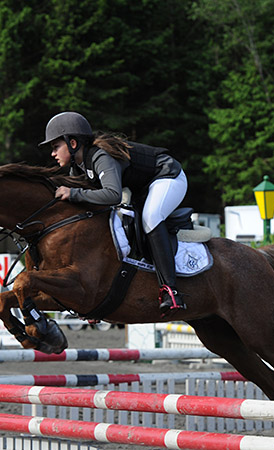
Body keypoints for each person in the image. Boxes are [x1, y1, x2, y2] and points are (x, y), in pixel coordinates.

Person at [39, 111, 188, 316]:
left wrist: (73, 193)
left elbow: (112, 195)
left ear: (72, 143)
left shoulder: (100, 156)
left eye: (56, 147)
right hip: (142, 188)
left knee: (150, 217)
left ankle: (171, 291)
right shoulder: (78, 168)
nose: (52, 154)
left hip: (168, 176)